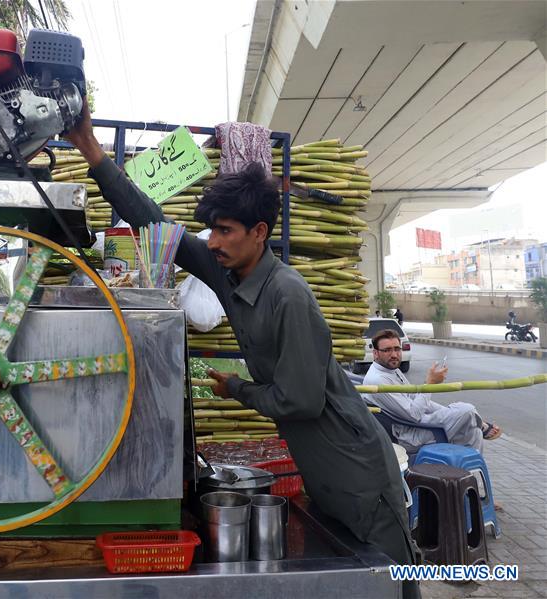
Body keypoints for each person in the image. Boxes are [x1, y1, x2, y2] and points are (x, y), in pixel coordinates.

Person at [66, 105, 420, 599]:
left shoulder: (288, 295)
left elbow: (300, 401)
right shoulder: (229, 277)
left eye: (225, 231)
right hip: (323, 469)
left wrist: (236, 388)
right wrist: (92, 151)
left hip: (356, 469)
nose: (212, 242)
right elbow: (155, 223)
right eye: (211, 230)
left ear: (259, 232)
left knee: (388, 584)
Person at [362, 329, 502, 453]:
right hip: (410, 435)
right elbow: (414, 415)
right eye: (387, 350)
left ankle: (470, 474)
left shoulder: (392, 370)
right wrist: (429, 384)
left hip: (419, 423)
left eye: (397, 349)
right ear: (375, 353)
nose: (394, 354)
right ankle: (480, 426)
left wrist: (449, 413)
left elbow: (415, 398)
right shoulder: (378, 380)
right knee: (467, 411)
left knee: (472, 428)